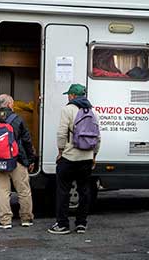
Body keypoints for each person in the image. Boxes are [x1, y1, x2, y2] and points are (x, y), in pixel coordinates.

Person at [48, 84, 101, 235]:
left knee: (63, 191)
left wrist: (60, 151)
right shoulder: (93, 111)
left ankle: (63, 224)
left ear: (72, 95)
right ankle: (81, 224)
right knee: (84, 191)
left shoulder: (68, 109)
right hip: (86, 159)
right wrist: (94, 156)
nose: (68, 97)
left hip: (69, 158)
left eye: (68, 95)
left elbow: (61, 133)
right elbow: (98, 138)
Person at [0, 94, 36, 229]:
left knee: (2, 192)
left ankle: (5, 221)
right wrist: (30, 160)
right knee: (23, 191)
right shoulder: (17, 120)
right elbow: (27, 141)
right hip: (16, 160)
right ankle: (26, 219)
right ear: (10, 105)